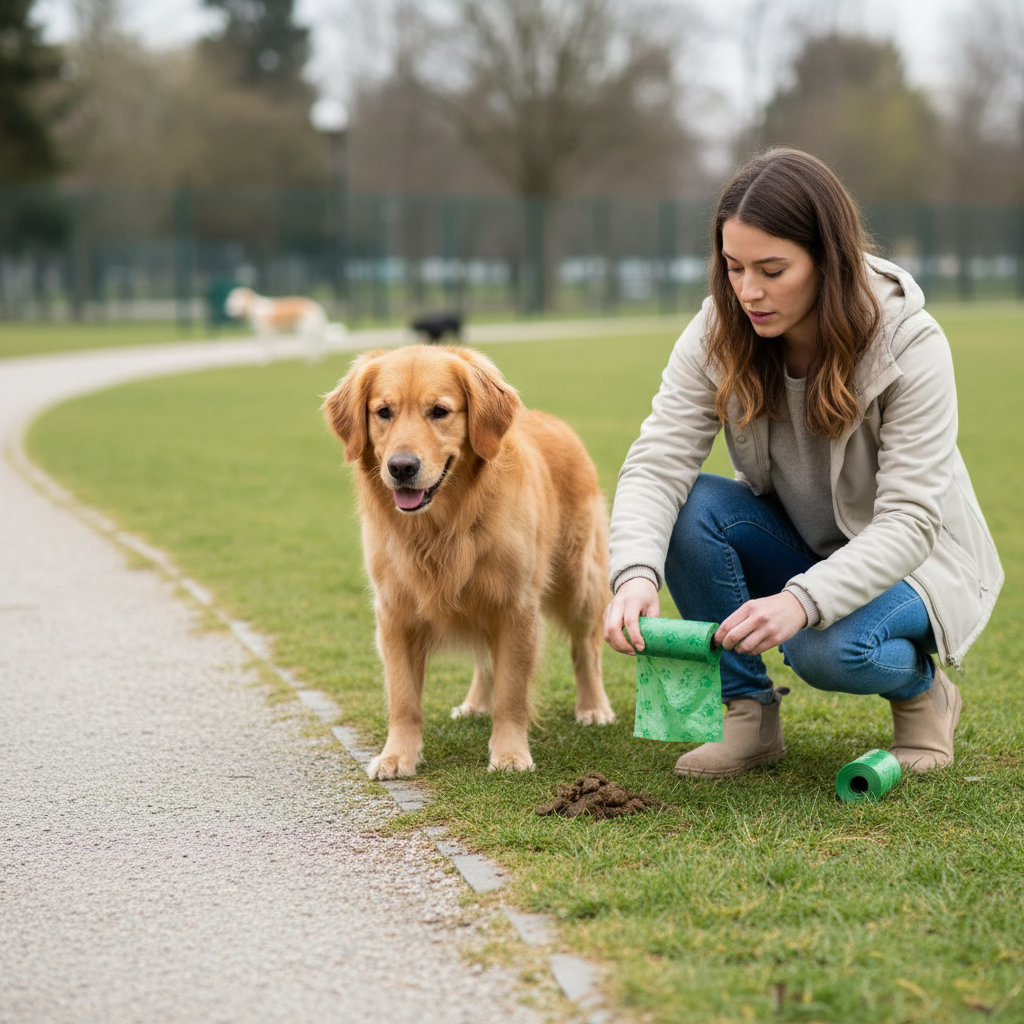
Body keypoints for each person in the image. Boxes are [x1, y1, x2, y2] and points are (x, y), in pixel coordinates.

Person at [603, 148, 1003, 778]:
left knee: (826, 647)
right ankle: (747, 717)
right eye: (733, 268)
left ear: (828, 259)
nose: (748, 291)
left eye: (772, 269)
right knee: (692, 506)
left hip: (919, 564)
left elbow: (908, 522)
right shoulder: (720, 327)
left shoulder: (910, 341)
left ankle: (924, 697)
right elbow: (657, 463)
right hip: (807, 543)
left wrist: (802, 602)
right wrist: (633, 574)